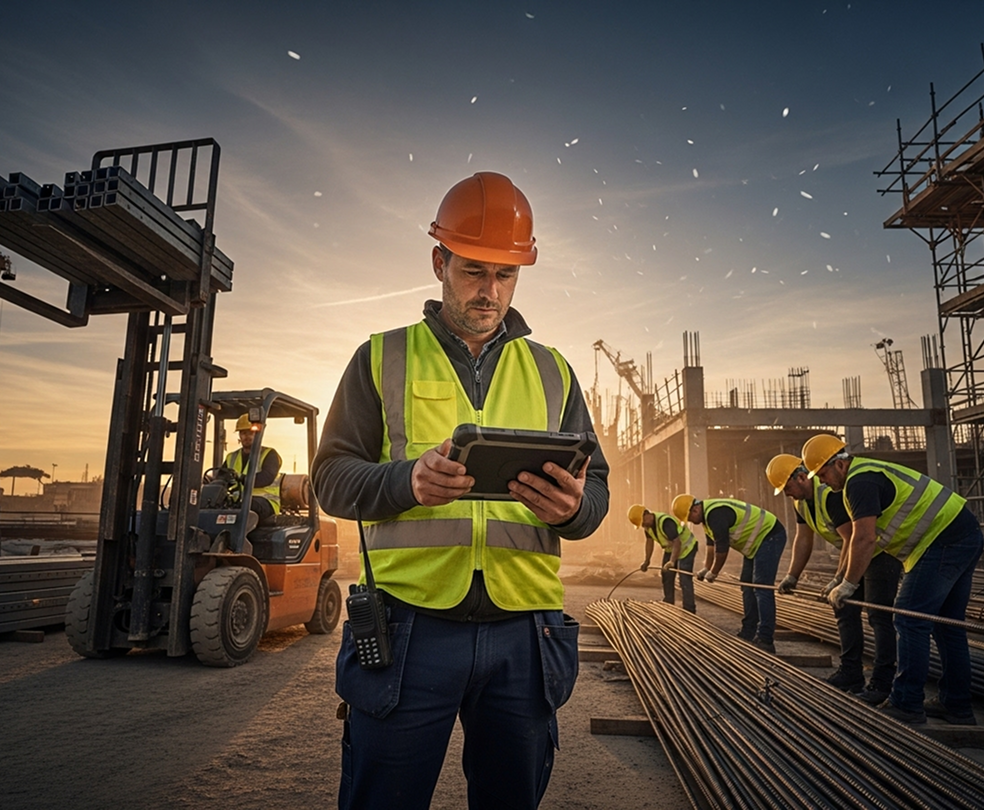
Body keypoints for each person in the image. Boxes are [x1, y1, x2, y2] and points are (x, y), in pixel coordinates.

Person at [311, 171, 610, 810]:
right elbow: (331, 478)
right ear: (439, 261)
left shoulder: (554, 371)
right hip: (409, 627)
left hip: (524, 636)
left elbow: (598, 487)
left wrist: (576, 509)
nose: (490, 291)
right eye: (475, 271)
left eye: (506, 275)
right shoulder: (380, 358)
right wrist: (406, 481)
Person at [802, 433, 984, 725]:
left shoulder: (859, 482)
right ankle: (956, 705)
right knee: (948, 627)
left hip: (943, 541)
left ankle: (907, 703)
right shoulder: (865, 474)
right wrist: (841, 578)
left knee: (909, 618)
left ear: (838, 463)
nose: (822, 481)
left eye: (822, 473)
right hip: (962, 533)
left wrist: (847, 584)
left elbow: (863, 539)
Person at [767, 453, 901, 702]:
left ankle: (882, 684)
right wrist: (792, 576)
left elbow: (852, 538)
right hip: (858, 553)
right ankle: (851, 673)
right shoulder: (802, 501)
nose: (787, 494)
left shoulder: (830, 495)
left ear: (800, 477)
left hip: (880, 553)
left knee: (878, 616)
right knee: (845, 609)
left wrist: (840, 580)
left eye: (787, 487)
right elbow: (803, 539)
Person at [671, 492, 786, 653]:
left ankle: (765, 639)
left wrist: (714, 573)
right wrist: (707, 568)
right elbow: (711, 547)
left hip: (770, 535)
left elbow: (722, 550)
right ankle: (748, 631)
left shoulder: (715, 514)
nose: (690, 522)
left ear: (695, 509)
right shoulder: (707, 519)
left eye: (689, 518)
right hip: (755, 546)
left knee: (761, 587)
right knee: (746, 585)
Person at [628, 503, 696, 612]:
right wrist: (647, 560)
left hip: (687, 547)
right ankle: (669, 605)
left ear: (646, 514)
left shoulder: (665, 522)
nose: (643, 525)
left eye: (643, 522)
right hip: (671, 549)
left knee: (684, 578)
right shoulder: (648, 527)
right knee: (666, 575)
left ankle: (689, 610)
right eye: (641, 524)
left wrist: (672, 561)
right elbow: (649, 542)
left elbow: (677, 542)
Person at [221, 413, 281, 527]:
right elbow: (222, 478)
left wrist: (241, 478)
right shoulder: (231, 457)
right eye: (243, 433)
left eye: (250, 432)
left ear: (258, 434)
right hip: (239, 500)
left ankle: (238, 542)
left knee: (245, 505)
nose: (246, 436)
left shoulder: (269, 454)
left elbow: (266, 477)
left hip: (265, 501)